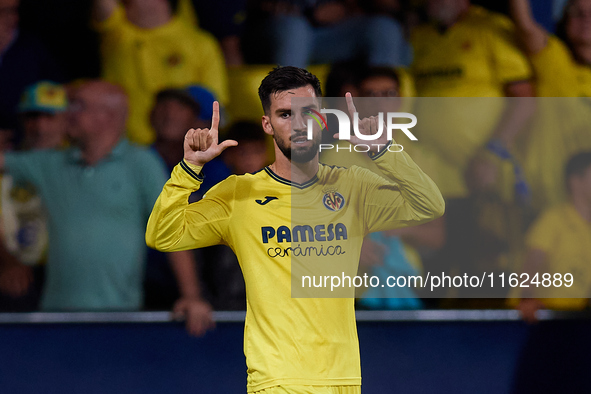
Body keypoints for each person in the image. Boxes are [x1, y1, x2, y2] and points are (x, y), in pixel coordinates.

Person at [146, 66, 444, 392]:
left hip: (342, 379)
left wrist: (384, 151)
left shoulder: (352, 185)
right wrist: (189, 170)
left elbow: (428, 205)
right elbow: (163, 234)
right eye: (285, 114)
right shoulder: (240, 194)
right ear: (267, 124)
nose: (299, 125)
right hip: (277, 380)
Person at [0, 80, 212, 335]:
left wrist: (192, 297)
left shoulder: (142, 164)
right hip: (53, 318)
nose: (67, 113)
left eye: (78, 106)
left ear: (107, 116)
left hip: (120, 318)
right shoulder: (50, 164)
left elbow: (173, 228)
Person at [92, 0, 229, 146]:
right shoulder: (118, 34)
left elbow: (212, 107)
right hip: (121, 147)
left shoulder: (200, 43)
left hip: (177, 151)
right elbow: (104, 8)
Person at [0, 81, 68, 311]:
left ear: (66, 122)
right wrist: (7, 262)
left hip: (69, 271)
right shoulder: (6, 167)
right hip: (13, 270)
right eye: (32, 117)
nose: (40, 127)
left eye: (50, 117)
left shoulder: (83, 167)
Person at [517, 151, 591, 323]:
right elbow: (532, 262)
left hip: (569, 324)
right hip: (534, 322)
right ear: (575, 182)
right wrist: (527, 301)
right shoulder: (554, 219)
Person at [241, 0, 413, 68]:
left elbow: (392, 7)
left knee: (384, 28)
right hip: (276, 32)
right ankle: (292, 111)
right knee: (296, 29)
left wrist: (348, 7)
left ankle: (380, 108)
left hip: (330, 35)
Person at [0, 0, 63, 147]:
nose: (12, 18)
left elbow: (57, 98)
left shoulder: (32, 49)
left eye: (14, 10)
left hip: (24, 145)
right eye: (3, 11)